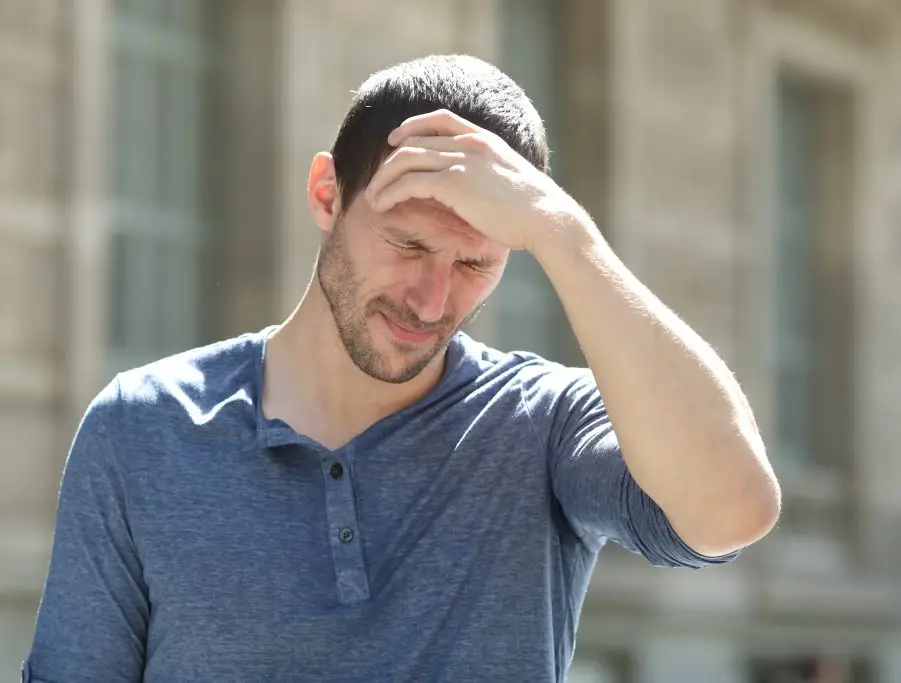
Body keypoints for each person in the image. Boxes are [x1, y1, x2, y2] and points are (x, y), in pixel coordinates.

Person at [23, 54, 780, 682]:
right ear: (327, 195)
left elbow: (734, 510)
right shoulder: (141, 428)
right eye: (408, 245)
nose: (431, 300)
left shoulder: (542, 425)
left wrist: (564, 233)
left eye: (475, 263)